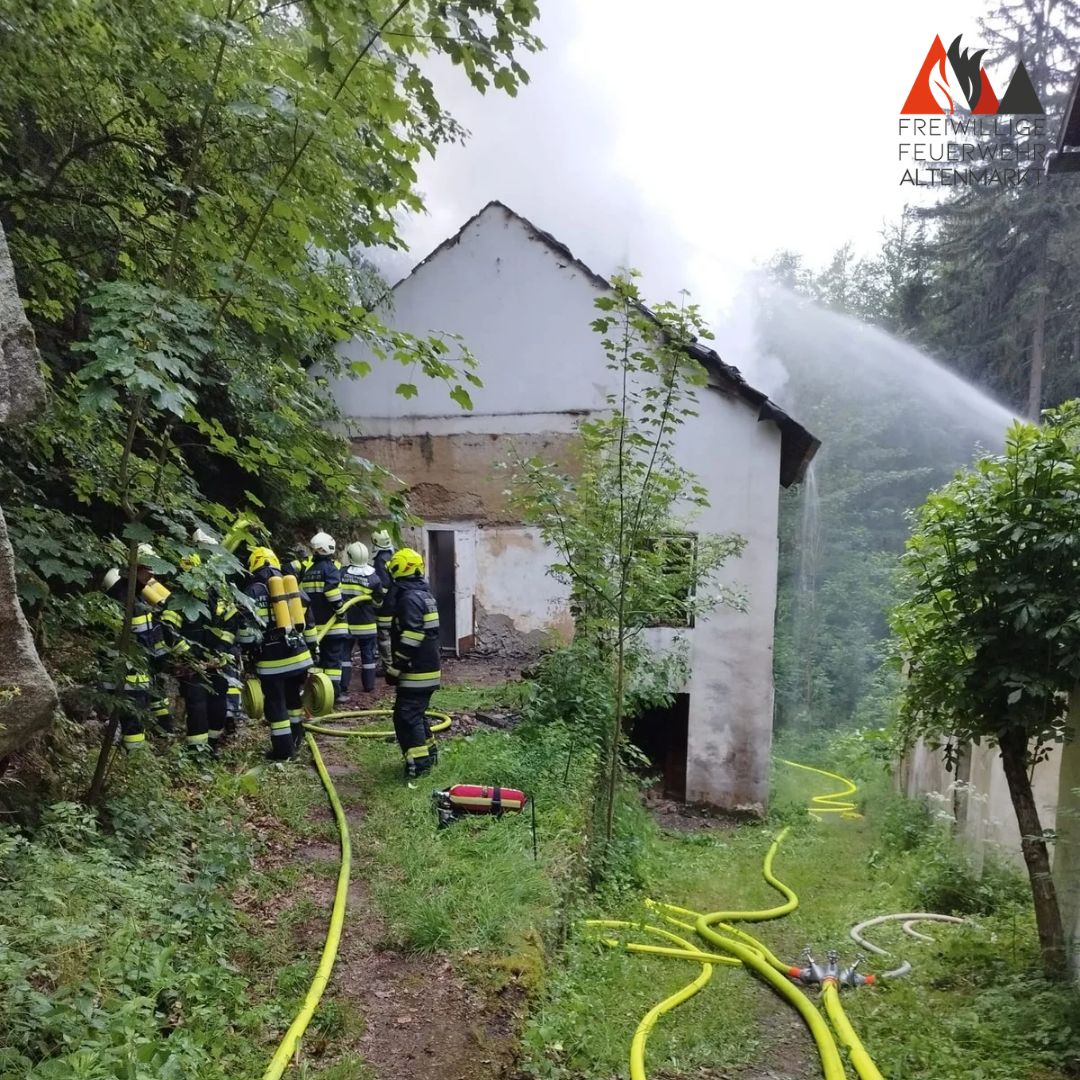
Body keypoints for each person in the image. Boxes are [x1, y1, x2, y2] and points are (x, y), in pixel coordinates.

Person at [238, 546, 316, 760]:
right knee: (293, 698)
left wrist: (246, 651)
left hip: (271, 662)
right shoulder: (292, 587)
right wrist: (313, 650)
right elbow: (309, 624)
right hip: (299, 657)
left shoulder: (252, 592)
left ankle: (283, 751)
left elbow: (246, 634)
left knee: (276, 704)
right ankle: (296, 741)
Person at [174, 542, 241, 755]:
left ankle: (212, 746)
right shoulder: (177, 599)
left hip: (216, 663)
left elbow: (231, 626)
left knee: (217, 705)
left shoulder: (219, 595)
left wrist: (220, 652)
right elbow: (169, 631)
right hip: (191, 666)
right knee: (197, 707)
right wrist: (191, 657)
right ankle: (197, 752)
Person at [385, 547, 441, 778]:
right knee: (416, 714)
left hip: (416, 670)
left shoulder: (409, 599)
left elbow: (412, 635)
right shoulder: (424, 595)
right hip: (427, 668)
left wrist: (396, 666)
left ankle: (419, 766)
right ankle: (430, 755)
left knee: (406, 717)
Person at [100, 566, 166, 753]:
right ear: (135, 570)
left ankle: (132, 757)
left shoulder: (136, 597)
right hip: (127, 674)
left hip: (132, 672)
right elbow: (141, 639)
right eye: (148, 571)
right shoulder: (123, 598)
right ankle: (134, 758)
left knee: (133, 721)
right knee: (132, 724)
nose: (152, 576)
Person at [300, 531, 349, 705]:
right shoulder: (330, 569)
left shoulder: (307, 571)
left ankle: (318, 694)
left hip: (313, 627)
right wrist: (340, 610)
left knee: (318, 662)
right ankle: (334, 694)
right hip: (333, 625)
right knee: (333, 662)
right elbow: (332, 591)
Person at [340, 541, 384, 694]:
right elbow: (378, 603)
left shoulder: (341, 573)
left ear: (350, 556)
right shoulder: (374, 577)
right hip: (367, 624)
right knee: (368, 656)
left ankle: (343, 685)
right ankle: (369, 685)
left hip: (347, 624)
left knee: (345, 655)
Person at [371, 530, 395, 672]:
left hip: (386, 606)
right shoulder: (393, 556)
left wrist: (377, 601)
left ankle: (388, 667)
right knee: (394, 636)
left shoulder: (380, 560)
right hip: (396, 602)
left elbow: (383, 585)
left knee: (384, 637)